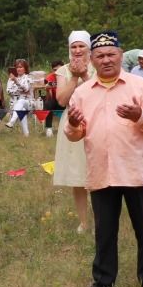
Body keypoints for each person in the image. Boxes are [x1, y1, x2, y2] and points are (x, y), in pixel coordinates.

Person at [63, 32, 143, 287]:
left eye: (111, 55)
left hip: (136, 170)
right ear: (91, 60)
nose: (106, 60)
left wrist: (140, 115)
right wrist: (73, 125)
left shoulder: (139, 87)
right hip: (101, 170)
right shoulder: (82, 92)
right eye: (100, 56)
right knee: (104, 232)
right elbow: (74, 134)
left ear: (121, 56)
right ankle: (103, 284)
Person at [53, 32, 95, 233]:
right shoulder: (63, 70)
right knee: (77, 175)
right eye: (74, 47)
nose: (77, 51)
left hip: (96, 121)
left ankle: (102, 217)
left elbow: (98, 93)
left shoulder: (98, 65)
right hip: (72, 122)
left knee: (98, 170)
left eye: (81, 47)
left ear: (88, 48)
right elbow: (61, 100)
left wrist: (86, 75)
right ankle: (84, 221)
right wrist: (74, 77)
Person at [5, 59, 36, 136]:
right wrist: (20, 89)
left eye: (21, 67)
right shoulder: (10, 79)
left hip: (28, 103)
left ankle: (12, 121)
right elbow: (9, 91)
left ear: (25, 68)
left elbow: (26, 89)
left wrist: (16, 82)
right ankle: (26, 134)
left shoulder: (28, 78)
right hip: (14, 103)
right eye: (17, 67)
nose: (19, 69)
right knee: (21, 109)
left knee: (21, 101)